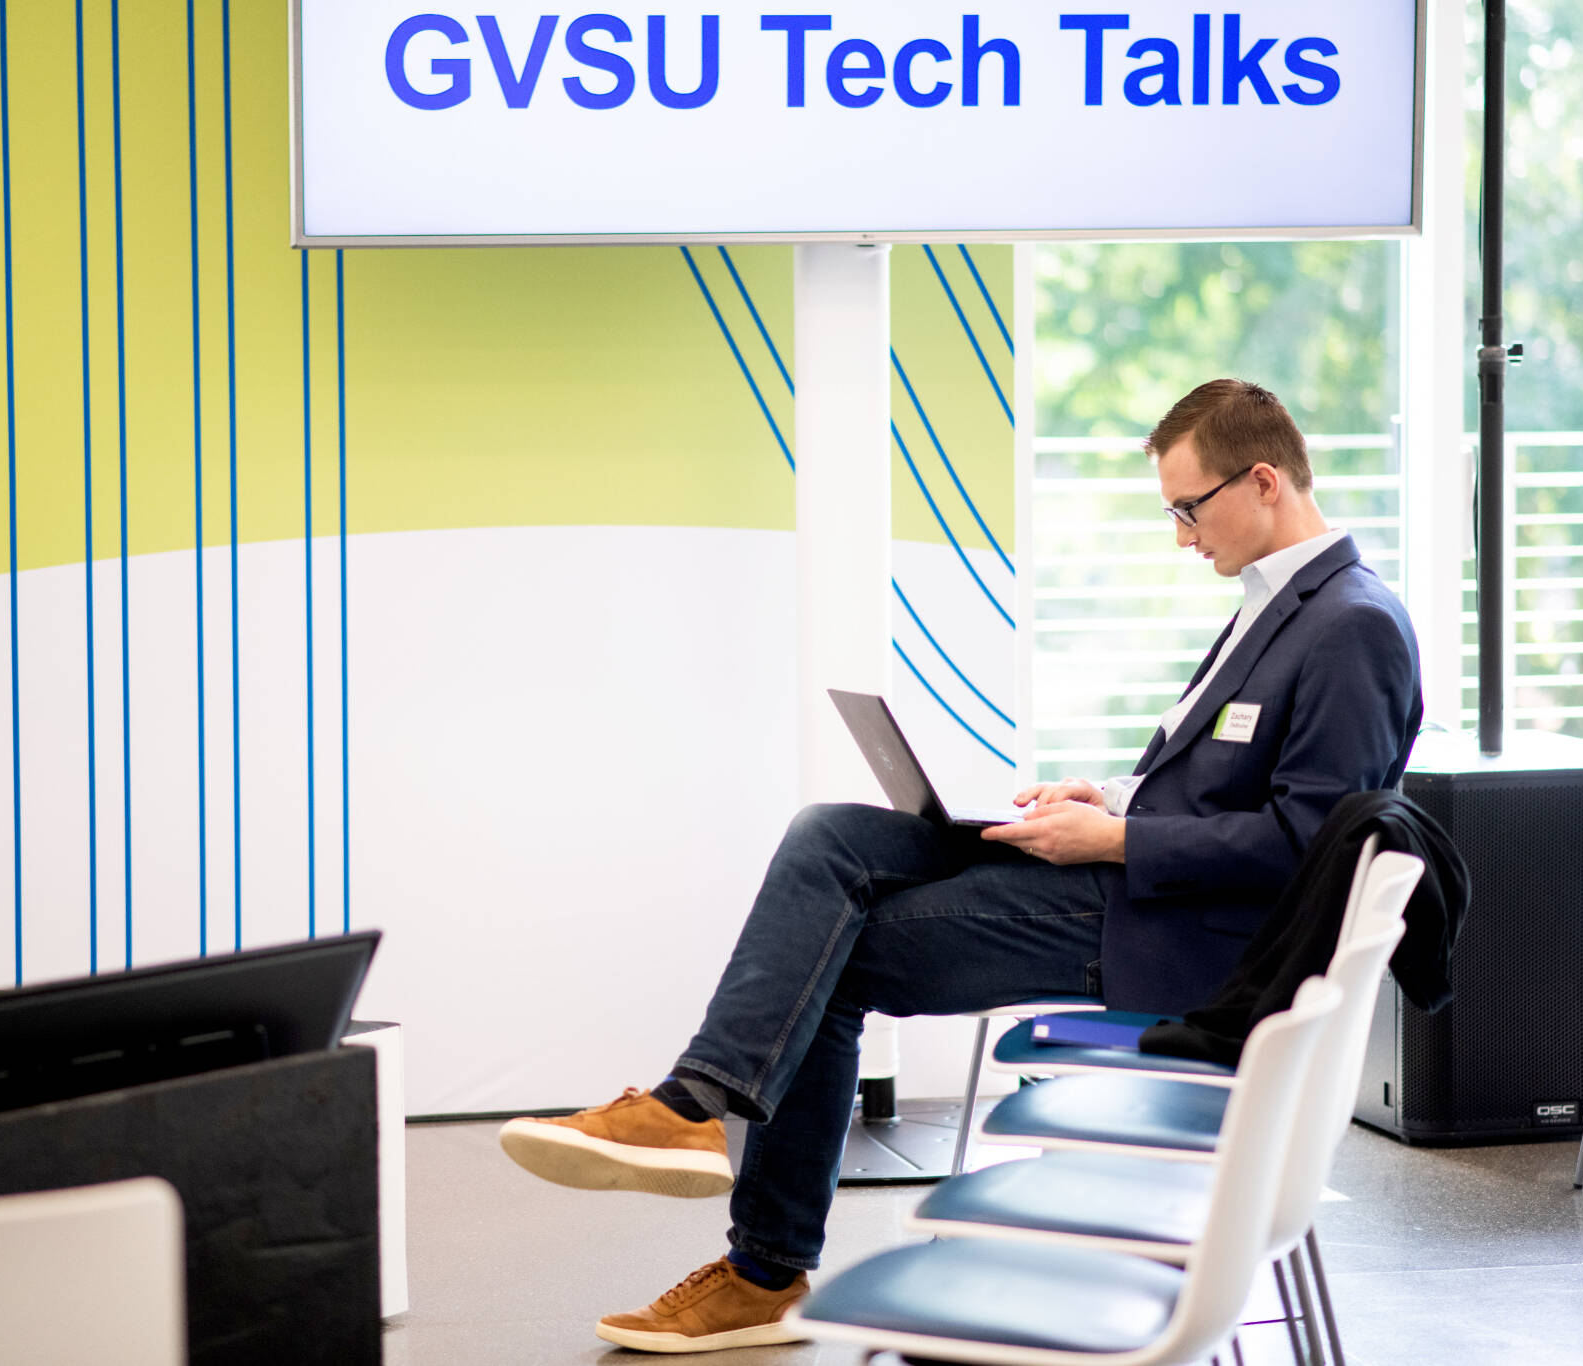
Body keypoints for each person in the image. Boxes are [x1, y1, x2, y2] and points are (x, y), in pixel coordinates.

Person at [497, 379, 1424, 1353]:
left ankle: (752, 1252)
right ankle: (694, 1109)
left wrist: (1114, 839)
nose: (1182, 537)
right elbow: (1229, 780)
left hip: (1177, 936)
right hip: (1134, 878)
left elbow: (1303, 851)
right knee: (832, 832)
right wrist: (1106, 798)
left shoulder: (1348, 626)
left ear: (1264, 480)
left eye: (1188, 510)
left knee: (819, 968)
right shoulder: (1283, 606)